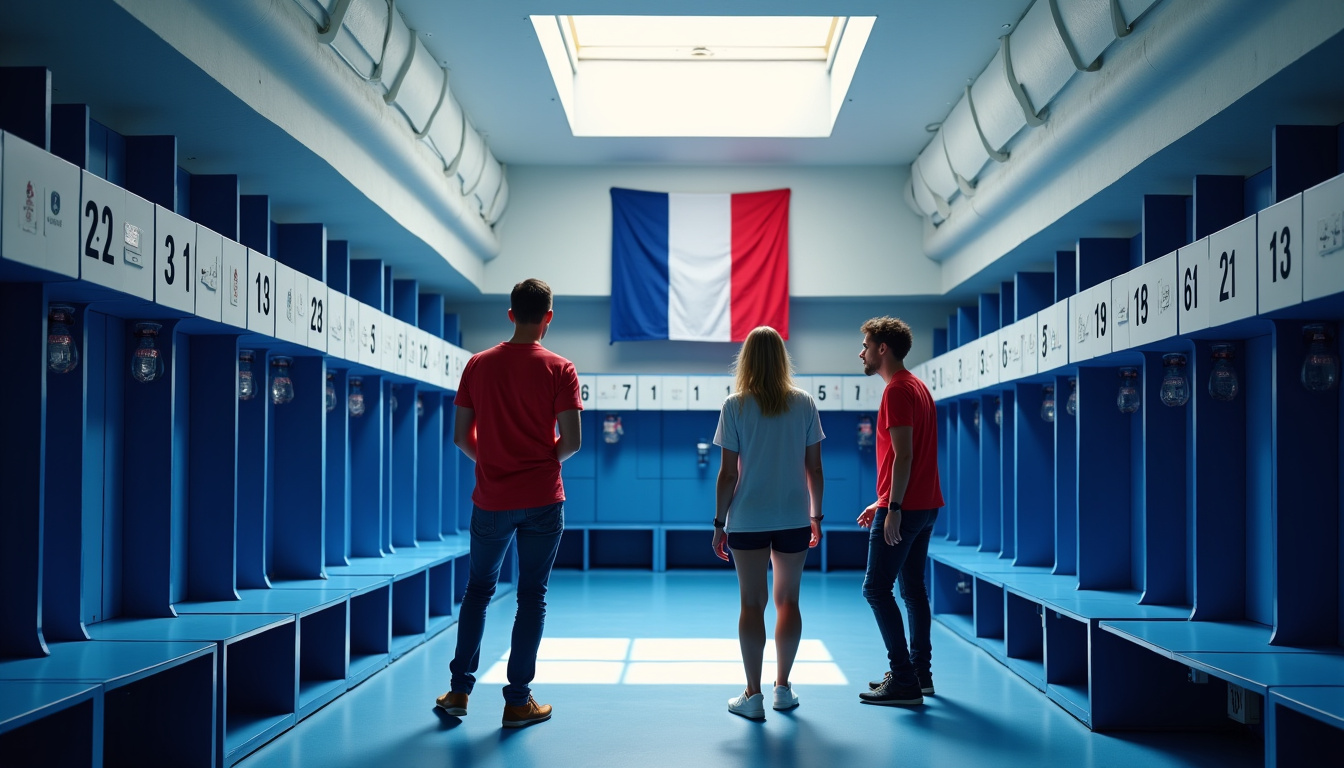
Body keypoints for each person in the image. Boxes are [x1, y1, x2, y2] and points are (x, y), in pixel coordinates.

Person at [436, 278, 582, 728]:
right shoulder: (561, 368)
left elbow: (461, 436)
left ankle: (459, 692)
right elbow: (572, 442)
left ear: (511, 314)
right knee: (531, 597)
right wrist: (536, 462)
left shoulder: (478, 365)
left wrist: (497, 461)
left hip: (492, 499)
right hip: (542, 499)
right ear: (549, 318)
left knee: (478, 592)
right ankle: (518, 702)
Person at [711, 326, 826, 720]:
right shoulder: (804, 403)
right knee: (788, 601)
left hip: (747, 518)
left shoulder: (735, 405)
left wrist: (718, 523)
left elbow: (728, 474)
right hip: (793, 516)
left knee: (751, 604)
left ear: (746, 360)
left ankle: (752, 695)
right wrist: (816, 515)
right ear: (782, 359)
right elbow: (815, 468)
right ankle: (783, 689)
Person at [855, 316, 944, 707]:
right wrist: (885, 499)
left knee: (876, 589)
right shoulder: (918, 387)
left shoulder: (896, 391)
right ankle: (920, 675)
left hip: (905, 509)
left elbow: (905, 454)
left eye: (866, 345)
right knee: (912, 590)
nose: (862, 352)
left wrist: (892, 507)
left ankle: (904, 679)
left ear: (882, 349)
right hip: (925, 505)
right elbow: (906, 457)